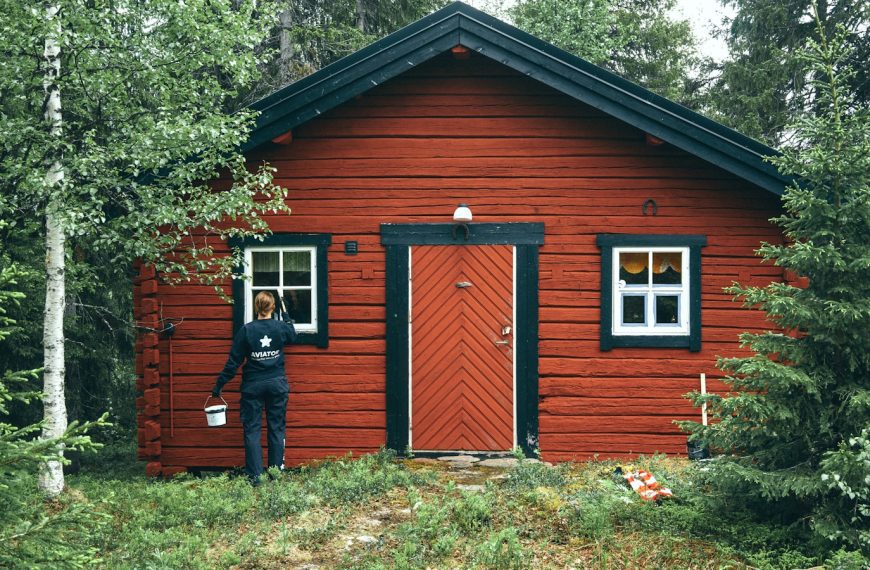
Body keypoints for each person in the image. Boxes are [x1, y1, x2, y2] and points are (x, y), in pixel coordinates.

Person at [211, 291, 297, 484]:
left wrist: (219, 386)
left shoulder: (247, 330)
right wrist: (286, 315)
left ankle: (255, 477)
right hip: (277, 385)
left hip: (252, 386)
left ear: (256, 307)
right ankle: (275, 474)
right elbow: (293, 335)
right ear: (272, 307)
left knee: (252, 430)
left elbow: (233, 362)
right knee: (276, 429)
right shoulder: (280, 327)